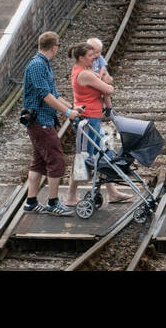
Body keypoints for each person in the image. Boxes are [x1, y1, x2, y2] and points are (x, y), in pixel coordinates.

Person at [22, 31, 84, 216]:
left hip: (44, 120)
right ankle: (52, 203)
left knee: (39, 162)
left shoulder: (44, 64)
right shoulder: (37, 65)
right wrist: (67, 113)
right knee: (56, 160)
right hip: (40, 121)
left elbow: (54, 94)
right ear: (54, 47)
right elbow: (46, 96)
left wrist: (71, 107)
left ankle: (31, 202)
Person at [68, 43, 130, 205]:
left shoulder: (85, 71)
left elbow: (106, 82)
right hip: (87, 120)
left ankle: (112, 193)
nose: (94, 58)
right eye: (90, 55)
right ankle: (71, 197)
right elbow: (108, 89)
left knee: (103, 154)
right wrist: (106, 84)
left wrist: (105, 82)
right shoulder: (84, 74)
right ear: (81, 58)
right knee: (83, 159)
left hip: (93, 119)